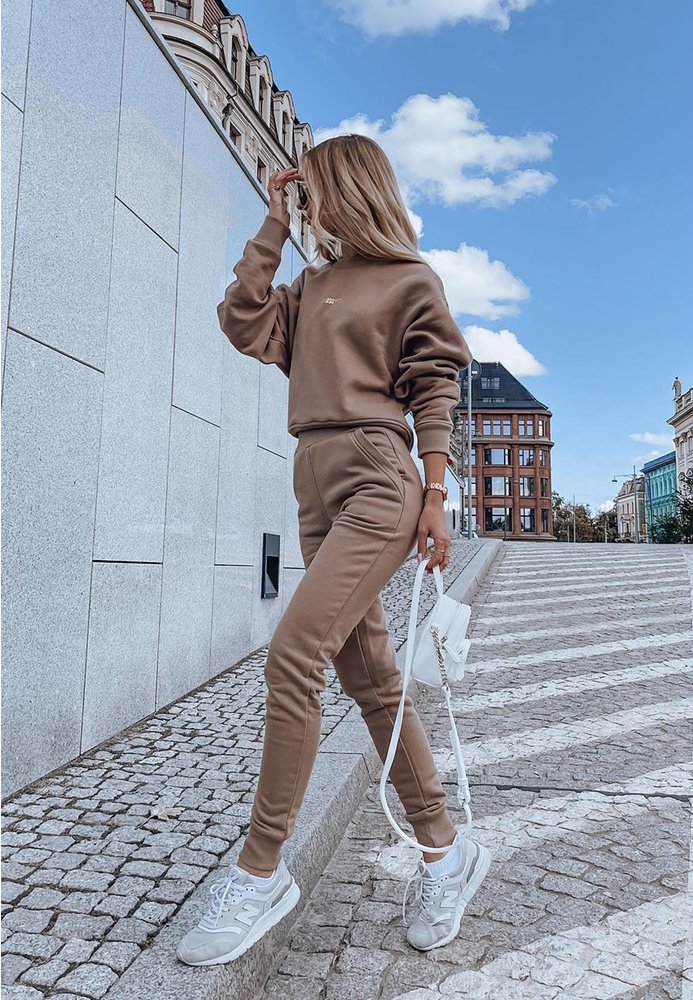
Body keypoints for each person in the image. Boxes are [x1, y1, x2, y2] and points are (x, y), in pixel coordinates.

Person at [177, 134, 491, 967]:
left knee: (292, 653)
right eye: (300, 195)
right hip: (313, 479)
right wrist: (273, 224)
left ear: (348, 188)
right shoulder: (309, 284)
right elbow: (239, 318)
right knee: (371, 678)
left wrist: (434, 493)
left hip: (379, 477)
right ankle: (444, 851)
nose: (308, 207)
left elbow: (433, 384)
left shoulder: (408, 280)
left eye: (313, 194)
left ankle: (260, 870)